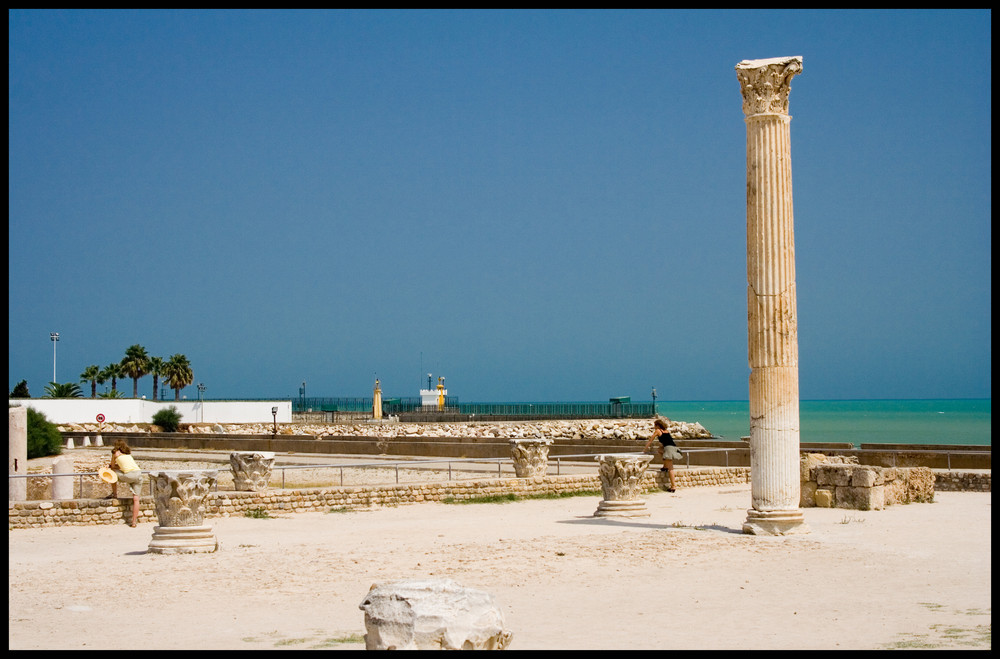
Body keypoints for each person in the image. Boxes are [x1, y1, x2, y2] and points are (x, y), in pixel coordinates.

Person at [105, 439, 143, 527]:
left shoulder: (115, 453)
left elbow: (113, 466)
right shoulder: (127, 455)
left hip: (129, 475)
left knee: (112, 473)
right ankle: (134, 522)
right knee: (136, 499)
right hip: (138, 474)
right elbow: (124, 466)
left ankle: (114, 494)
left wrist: (110, 466)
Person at [644, 417, 679, 492]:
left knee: (671, 469)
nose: (654, 427)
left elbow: (650, 441)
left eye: (654, 425)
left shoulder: (657, 431)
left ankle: (673, 486)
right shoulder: (666, 431)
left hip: (668, 449)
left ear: (657, 425)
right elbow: (668, 441)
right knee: (659, 450)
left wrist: (645, 450)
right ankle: (664, 466)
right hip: (673, 447)